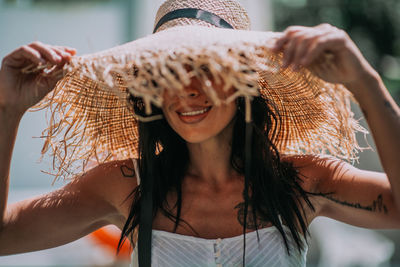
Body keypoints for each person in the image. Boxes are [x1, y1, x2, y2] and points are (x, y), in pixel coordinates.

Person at [1, 0, 399, 266]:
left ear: (244, 82)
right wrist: (9, 109)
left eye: (206, 67)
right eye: (168, 70)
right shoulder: (128, 184)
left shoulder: (303, 180)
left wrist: (364, 82)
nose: (186, 88)